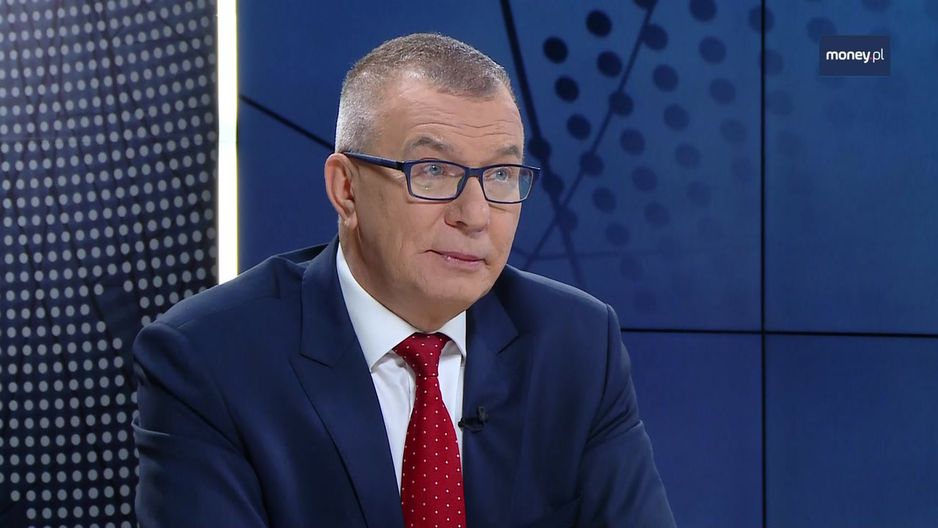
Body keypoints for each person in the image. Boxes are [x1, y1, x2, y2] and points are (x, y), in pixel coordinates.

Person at [133, 33, 675, 527]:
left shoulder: (577, 343)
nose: (475, 215)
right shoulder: (210, 359)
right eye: (433, 171)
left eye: (501, 175)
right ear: (346, 189)